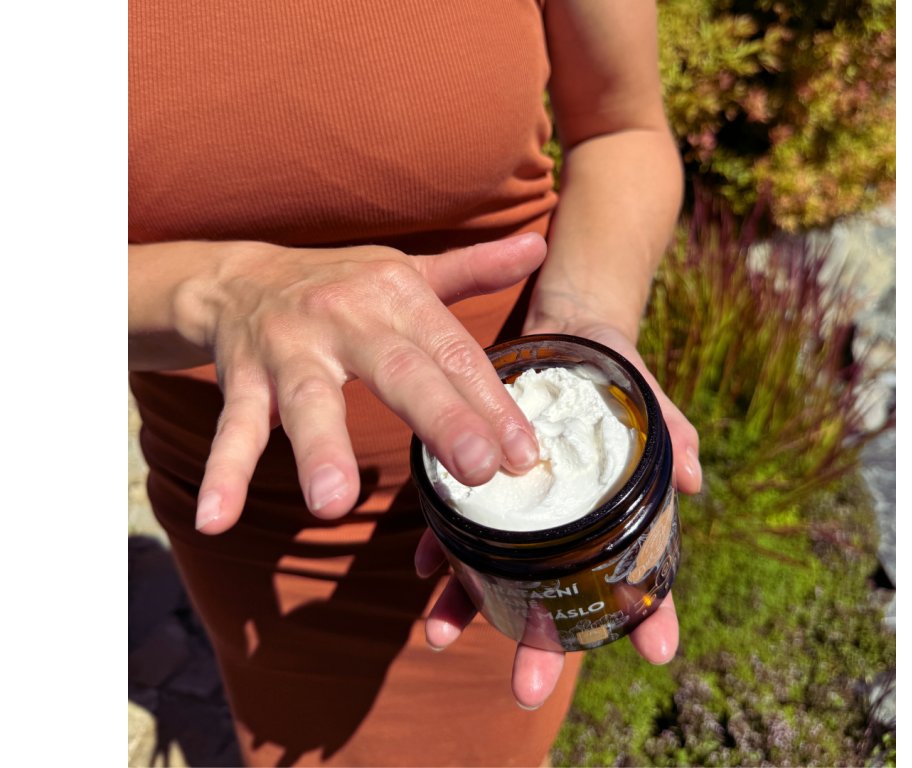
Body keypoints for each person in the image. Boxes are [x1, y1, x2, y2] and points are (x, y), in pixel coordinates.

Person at [128, 0, 702, 764]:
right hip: (268, 520)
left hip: (531, 491)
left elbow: (621, 127)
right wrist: (222, 291)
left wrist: (579, 321)